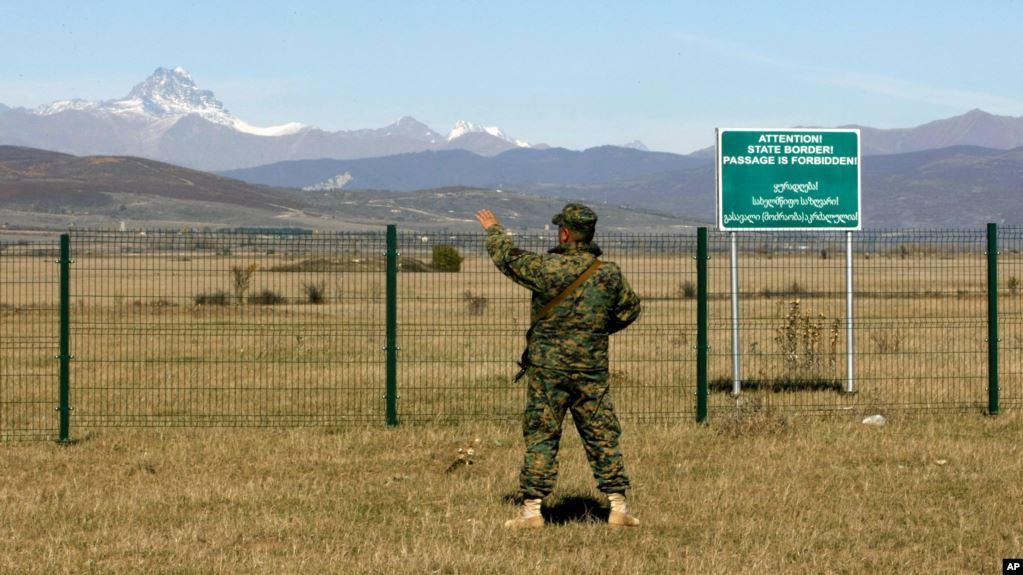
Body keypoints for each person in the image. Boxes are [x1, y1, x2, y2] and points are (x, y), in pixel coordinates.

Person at [475, 203, 642, 529]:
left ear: (564, 233)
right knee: (602, 433)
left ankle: (532, 512)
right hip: (590, 369)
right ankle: (618, 508)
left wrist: (494, 228)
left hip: (548, 370)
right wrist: (594, 331)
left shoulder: (546, 268)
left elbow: (508, 258)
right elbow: (629, 310)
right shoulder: (607, 274)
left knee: (542, 434)